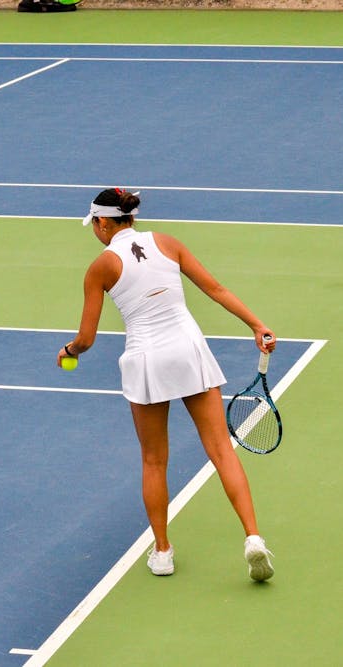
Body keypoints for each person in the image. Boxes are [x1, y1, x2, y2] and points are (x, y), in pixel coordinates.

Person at [56, 187, 276, 582]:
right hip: (189, 352)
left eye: (94, 224)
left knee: (154, 460)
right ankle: (253, 538)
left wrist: (69, 350)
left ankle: (162, 552)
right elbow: (216, 289)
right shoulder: (168, 243)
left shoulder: (100, 267)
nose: (94, 231)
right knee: (222, 451)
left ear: (104, 222)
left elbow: (86, 339)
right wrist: (257, 325)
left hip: (147, 362)